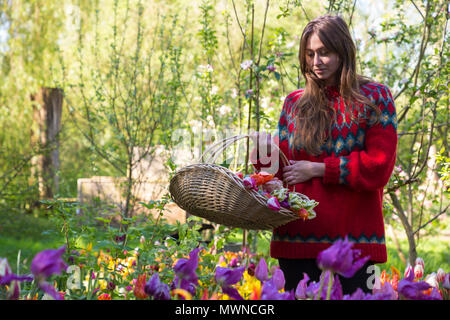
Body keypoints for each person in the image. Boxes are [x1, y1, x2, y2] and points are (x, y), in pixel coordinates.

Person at [252, 14, 397, 295]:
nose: (316, 61)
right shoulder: (294, 103)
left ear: (343, 51)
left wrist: (319, 169)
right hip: (297, 241)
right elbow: (280, 173)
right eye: (310, 54)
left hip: (353, 246)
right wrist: (261, 154)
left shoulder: (375, 98)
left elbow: (378, 167)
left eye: (324, 53)